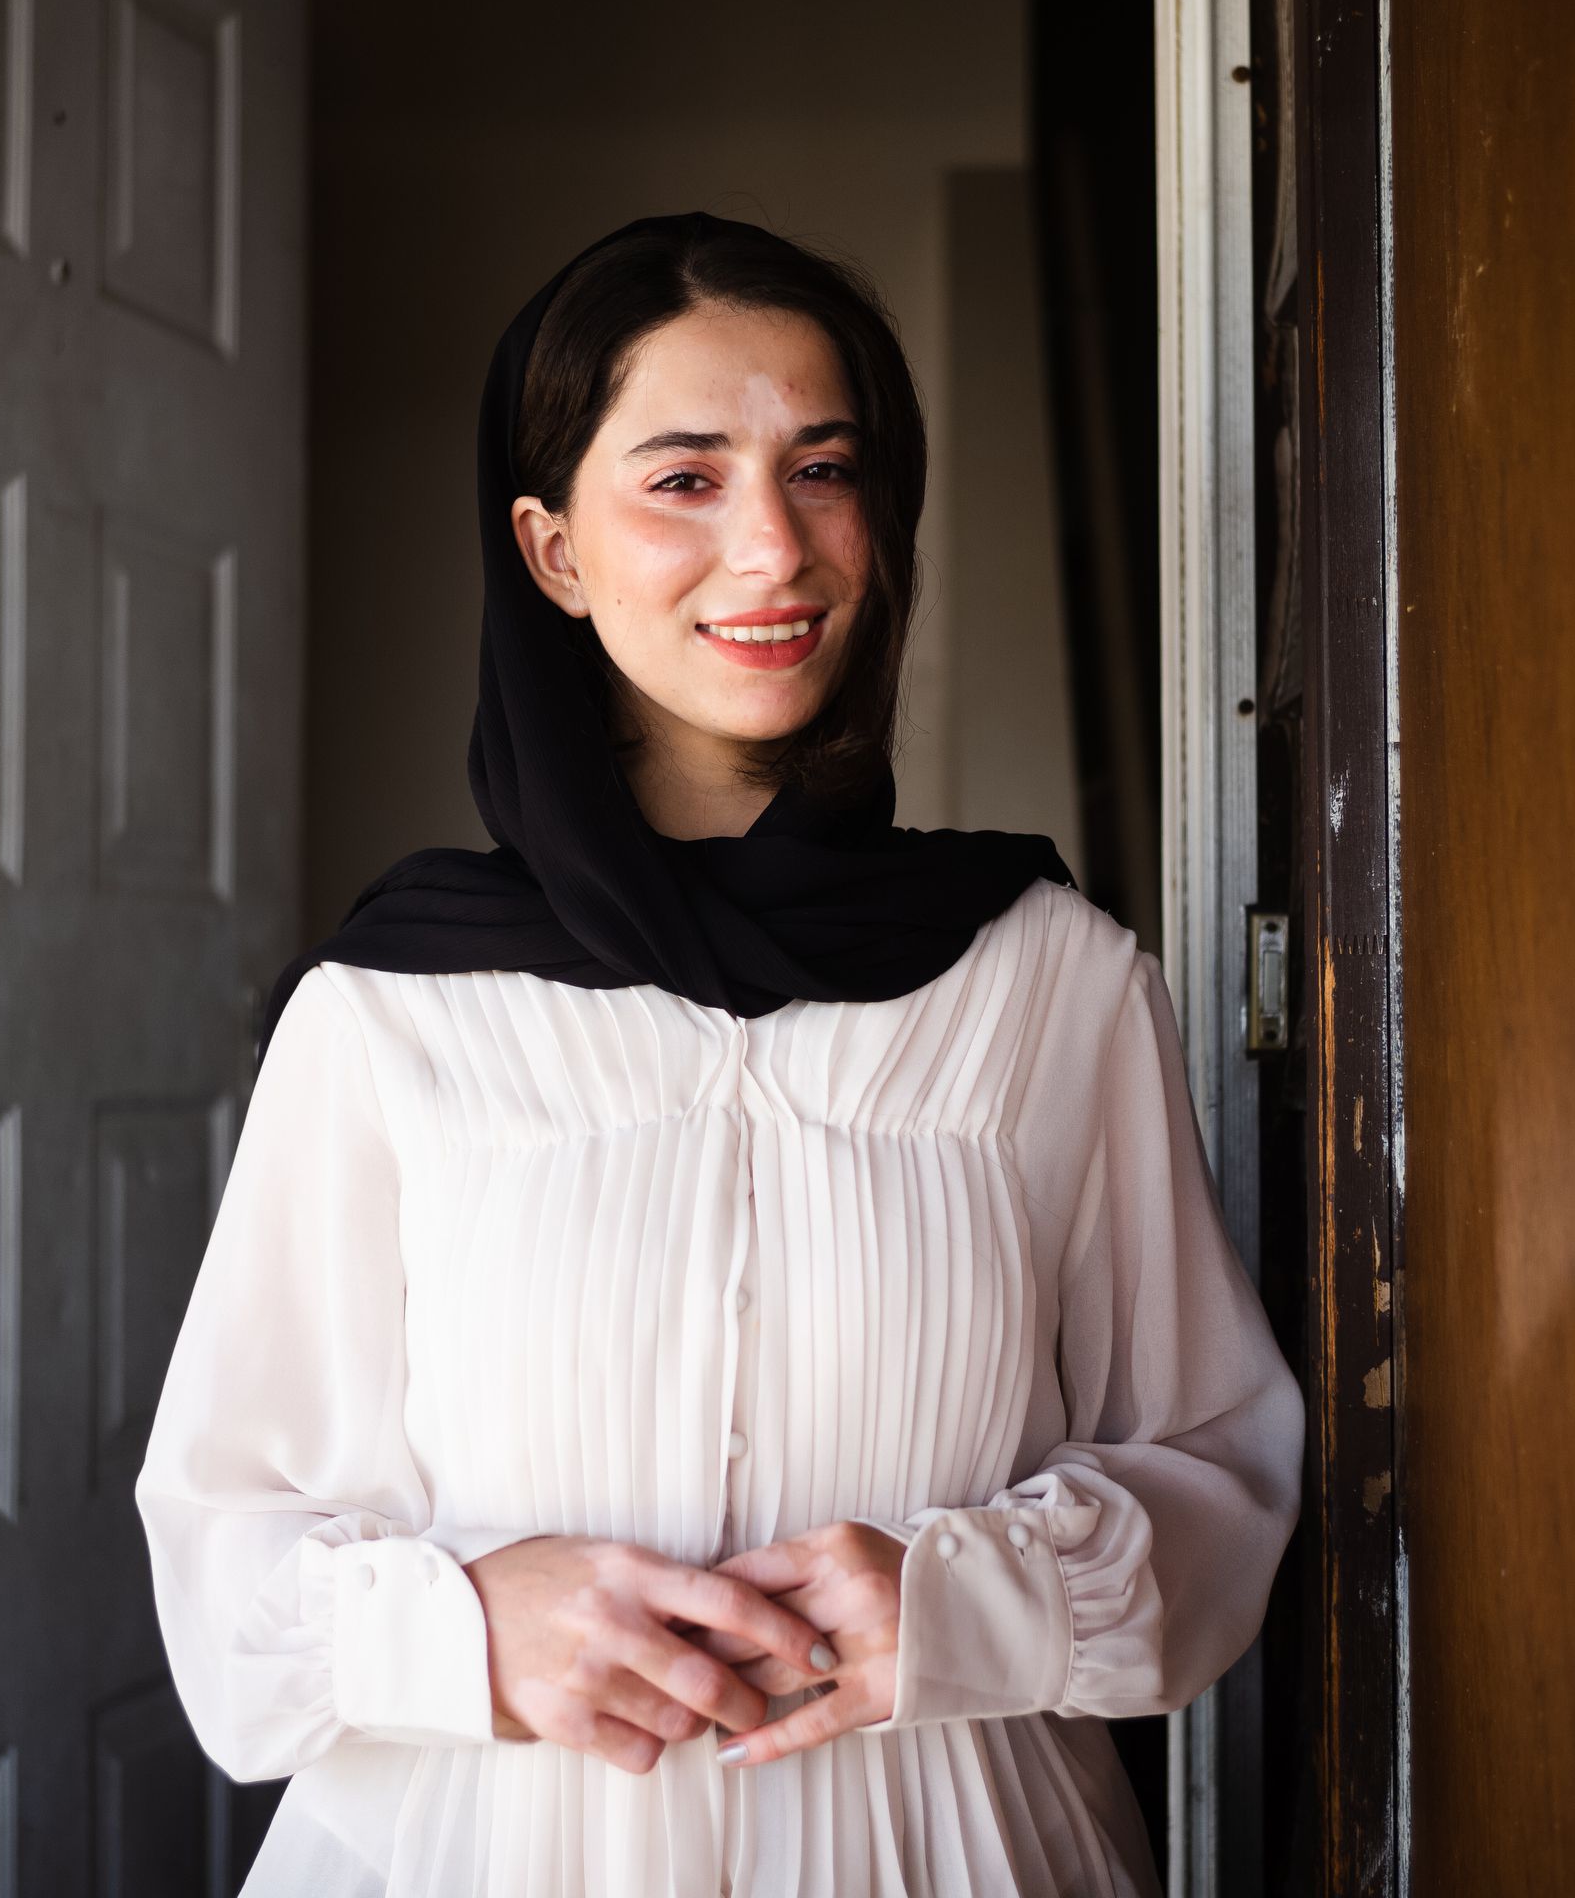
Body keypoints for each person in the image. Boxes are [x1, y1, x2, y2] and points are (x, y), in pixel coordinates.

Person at [134, 212, 1301, 1896]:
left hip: (956, 1855)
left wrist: (973, 1601)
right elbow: (223, 1562)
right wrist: (464, 1629)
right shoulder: (388, 1012)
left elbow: (1225, 1472)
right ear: (551, 551)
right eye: (684, 479)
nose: (775, 546)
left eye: (823, 469)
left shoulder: (1050, 983)